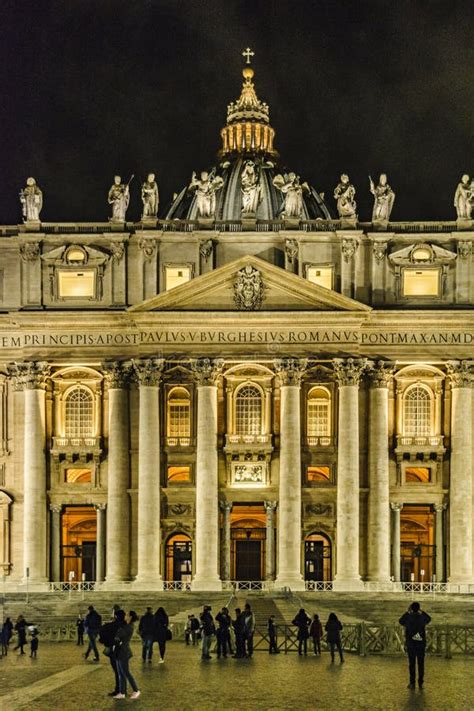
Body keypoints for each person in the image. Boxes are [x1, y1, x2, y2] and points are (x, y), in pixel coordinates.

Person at [399, 601, 431, 689]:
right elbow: (429, 618)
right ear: (418, 608)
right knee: (421, 664)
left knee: (411, 664)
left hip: (411, 644)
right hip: (420, 644)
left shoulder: (408, 617)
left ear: (411, 609)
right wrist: (421, 611)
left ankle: (412, 683)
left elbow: (400, 621)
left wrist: (408, 612)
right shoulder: (422, 618)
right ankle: (420, 683)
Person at [112, 610, 141, 700]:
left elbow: (119, 636)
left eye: (127, 615)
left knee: (126, 672)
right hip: (119, 651)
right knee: (121, 673)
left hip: (123, 651)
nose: (125, 616)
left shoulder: (128, 627)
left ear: (130, 617)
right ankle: (122, 692)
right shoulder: (126, 626)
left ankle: (136, 690)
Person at [99, 608, 123, 697]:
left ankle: (119, 689)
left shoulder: (110, 626)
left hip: (114, 650)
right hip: (124, 650)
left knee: (117, 671)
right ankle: (122, 689)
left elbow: (102, 634)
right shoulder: (125, 625)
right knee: (123, 671)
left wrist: (107, 644)